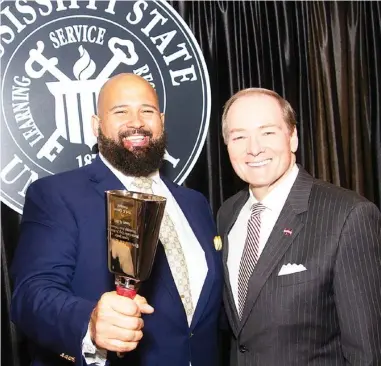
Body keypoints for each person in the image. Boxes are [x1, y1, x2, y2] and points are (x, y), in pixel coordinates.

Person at [11, 73, 223, 366]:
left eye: (147, 111)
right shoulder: (57, 195)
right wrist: (90, 323)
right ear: (96, 126)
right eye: (120, 111)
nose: (136, 122)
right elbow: (30, 296)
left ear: (161, 120)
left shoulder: (195, 203)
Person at [217, 87, 381, 365]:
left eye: (267, 132)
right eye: (239, 136)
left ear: (292, 138)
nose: (254, 148)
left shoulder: (349, 215)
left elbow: (366, 352)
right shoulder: (227, 213)